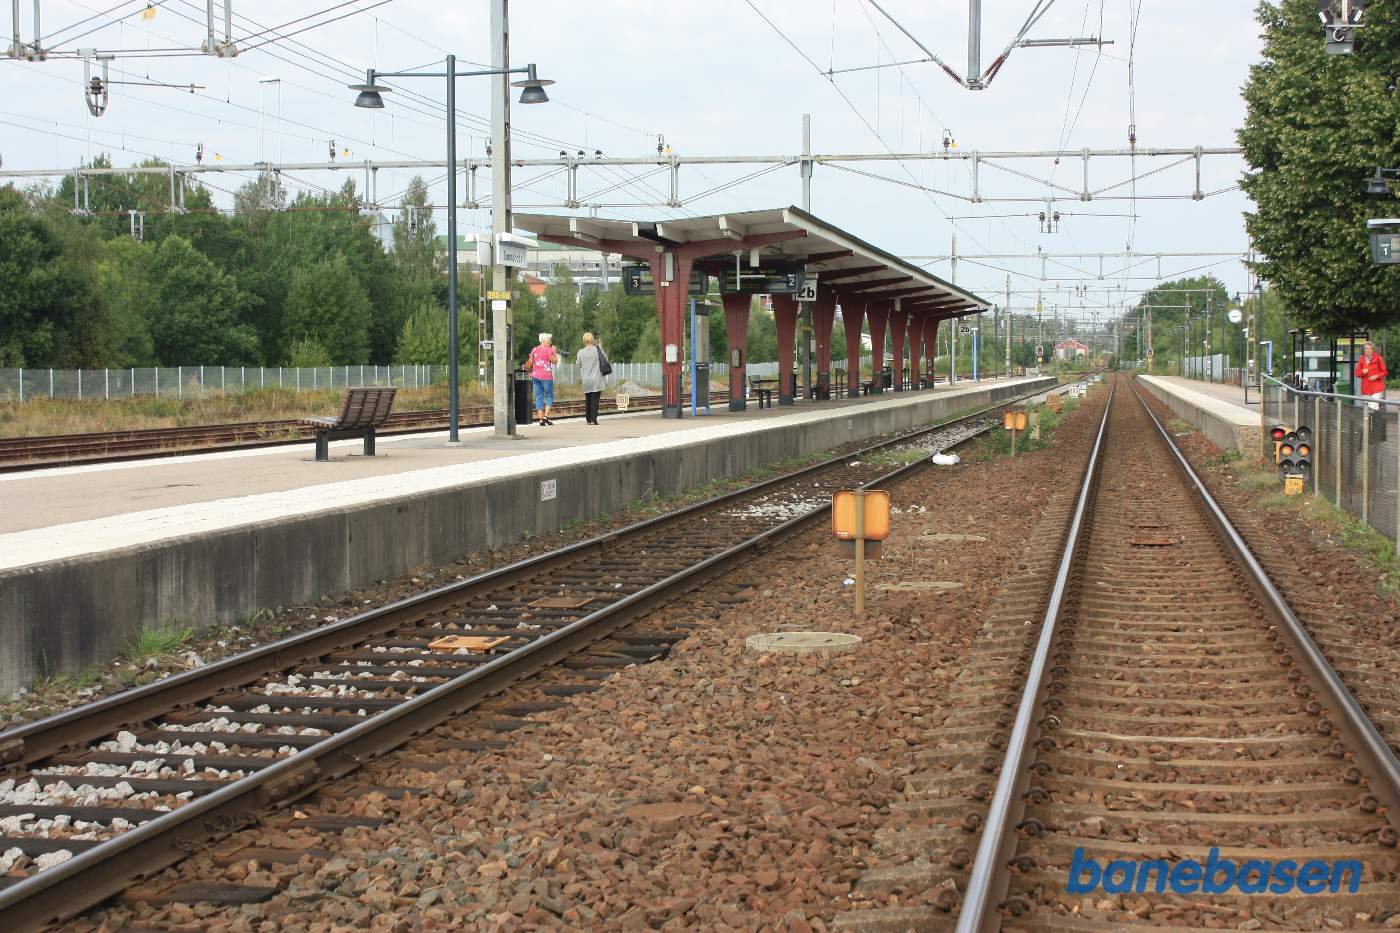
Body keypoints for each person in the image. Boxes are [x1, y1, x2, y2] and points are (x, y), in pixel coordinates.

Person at [527, 333, 559, 426]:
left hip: (535, 376)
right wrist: (554, 351)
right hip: (546, 376)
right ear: (544, 341)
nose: (551, 342)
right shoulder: (548, 350)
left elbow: (530, 362)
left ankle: (540, 419)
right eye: (549, 340)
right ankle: (546, 417)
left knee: (539, 397)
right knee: (549, 395)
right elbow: (555, 361)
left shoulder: (534, 349)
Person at [577, 332, 606, 425]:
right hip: (596, 378)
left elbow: (578, 364)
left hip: (586, 379)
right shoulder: (598, 350)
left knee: (588, 399)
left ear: (584, 340)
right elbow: (606, 359)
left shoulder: (580, 352)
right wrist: (600, 346)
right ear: (592, 340)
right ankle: (593, 419)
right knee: (595, 399)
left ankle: (588, 419)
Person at [1356, 341, 1387, 410]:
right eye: (1366, 348)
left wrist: (1376, 376)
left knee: (1372, 408)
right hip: (1365, 388)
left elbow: (1384, 372)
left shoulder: (1378, 358)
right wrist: (1362, 372)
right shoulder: (1361, 360)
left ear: (1372, 349)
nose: (1368, 350)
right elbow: (1357, 374)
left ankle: (1373, 420)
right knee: (1366, 409)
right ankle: (1370, 420)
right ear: (1364, 350)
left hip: (1376, 388)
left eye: (1370, 348)